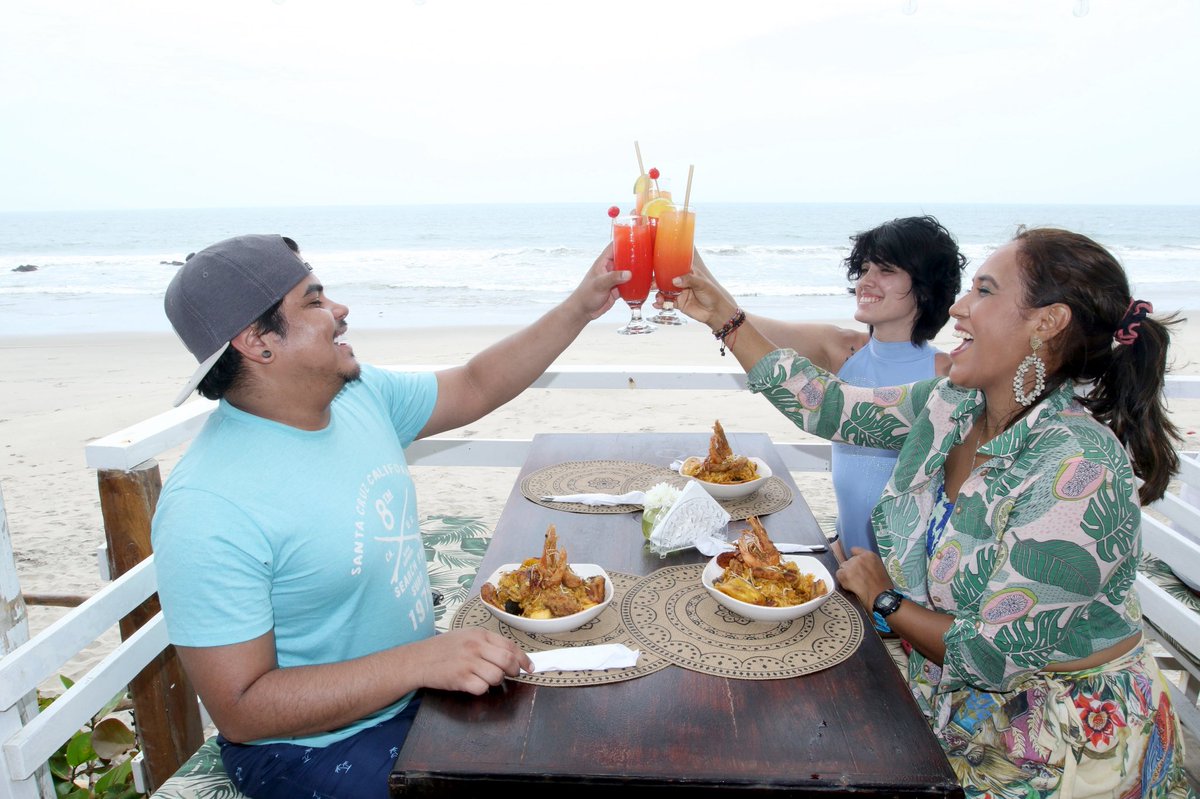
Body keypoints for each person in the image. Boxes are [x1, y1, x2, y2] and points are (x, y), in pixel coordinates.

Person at [671, 227, 1194, 797]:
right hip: (950, 697)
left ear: (1047, 322)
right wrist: (724, 317)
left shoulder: (1077, 470)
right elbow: (829, 407)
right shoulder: (954, 402)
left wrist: (882, 596)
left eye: (985, 292)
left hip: (1057, 743)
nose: (959, 308)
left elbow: (990, 655)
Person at [150, 233, 626, 799]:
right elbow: (243, 711)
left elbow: (475, 384)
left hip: (416, 694)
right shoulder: (208, 505)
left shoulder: (356, 396)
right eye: (314, 300)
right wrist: (418, 662)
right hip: (309, 749)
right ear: (258, 342)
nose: (340, 311)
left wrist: (581, 306)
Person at [700, 216, 965, 558]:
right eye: (864, 269)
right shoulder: (841, 349)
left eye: (885, 271)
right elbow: (741, 324)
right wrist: (689, 265)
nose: (866, 282)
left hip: (908, 582)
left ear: (927, 287)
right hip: (844, 558)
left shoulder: (947, 375)